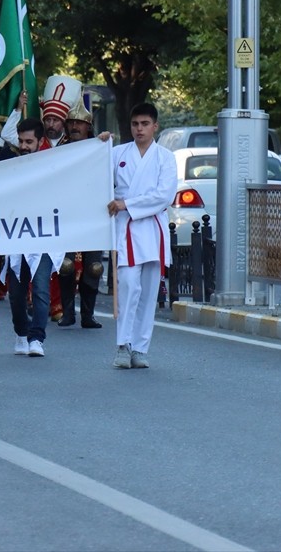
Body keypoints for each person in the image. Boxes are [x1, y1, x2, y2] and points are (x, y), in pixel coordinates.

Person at [108, 103, 177, 369]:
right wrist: (100, 143)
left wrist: (128, 203)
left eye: (145, 124)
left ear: (155, 126)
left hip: (153, 229)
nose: (139, 129)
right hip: (126, 228)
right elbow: (96, 172)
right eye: (135, 124)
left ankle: (140, 348)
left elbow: (165, 195)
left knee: (149, 292)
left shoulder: (165, 157)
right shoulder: (116, 153)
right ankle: (122, 344)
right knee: (127, 285)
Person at [3, 117, 63, 357]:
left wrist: (101, 143)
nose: (24, 146)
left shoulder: (54, 166)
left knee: (40, 288)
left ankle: (37, 337)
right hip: (16, 237)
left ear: (40, 141)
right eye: (21, 141)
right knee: (16, 293)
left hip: (44, 237)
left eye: (29, 141)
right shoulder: (9, 167)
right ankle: (21, 332)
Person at [57, 100, 103, 329]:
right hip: (67, 216)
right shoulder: (59, 152)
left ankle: (88, 314)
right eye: (71, 123)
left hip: (93, 217)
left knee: (94, 267)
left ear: (88, 126)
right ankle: (68, 313)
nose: (75, 127)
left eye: (80, 123)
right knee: (66, 265)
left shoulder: (100, 150)